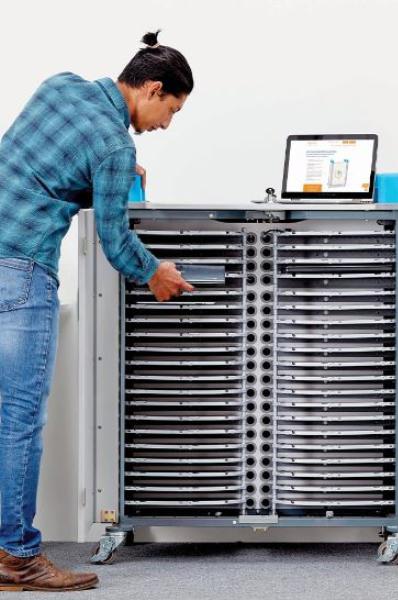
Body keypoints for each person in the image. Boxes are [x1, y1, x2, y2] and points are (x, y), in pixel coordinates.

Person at [0, 30, 194, 592]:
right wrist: (155, 272)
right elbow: (115, 241)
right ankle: (16, 558)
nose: (165, 125)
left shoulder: (59, 85)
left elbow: (39, 167)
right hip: (21, 271)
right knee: (18, 421)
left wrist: (103, 183)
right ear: (152, 88)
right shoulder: (115, 146)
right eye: (171, 110)